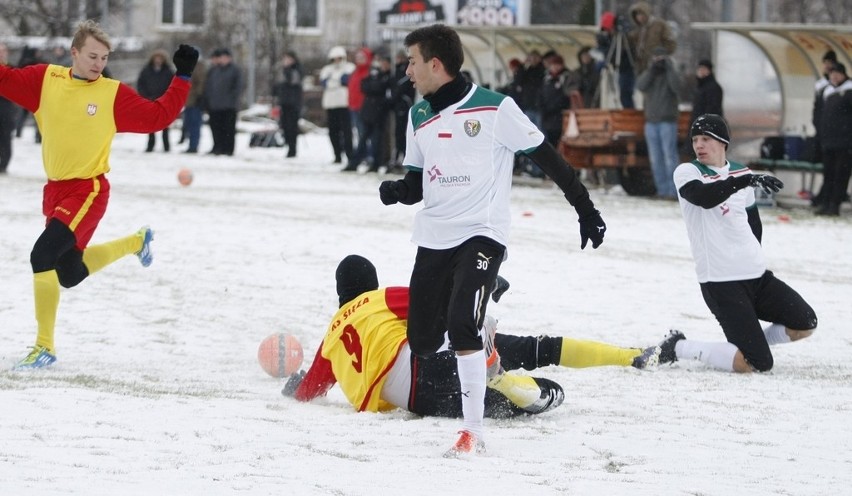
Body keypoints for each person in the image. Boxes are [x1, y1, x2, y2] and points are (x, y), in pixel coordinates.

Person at [378, 24, 606, 457]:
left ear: (434, 64)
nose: (406, 71)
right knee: (424, 342)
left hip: (482, 233)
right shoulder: (418, 116)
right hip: (435, 236)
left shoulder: (496, 108)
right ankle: (481, 325)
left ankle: (472, 432)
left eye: (411, 61)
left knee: (462, 321)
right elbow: (419, 182)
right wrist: (398, 191)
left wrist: (585, 208)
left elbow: (550, 160)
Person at [0, 21, 198, 369]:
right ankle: (136, 243)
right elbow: (4, 79)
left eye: (104, 58)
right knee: (69, 273)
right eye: (92, 56)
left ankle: (43, 347)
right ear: (74, 52)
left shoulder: (111, 94)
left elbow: (157, 117)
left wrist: (181, 77)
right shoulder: (45, 81)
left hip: (88, 189)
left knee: (41, 255)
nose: (98, 64)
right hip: (55, 190)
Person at [283, 255, 661, 420]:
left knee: (517, 403)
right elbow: (432, 297)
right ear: (370, 283)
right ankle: (629, 356)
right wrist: (481, 286)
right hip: (426, 360)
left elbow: (308, 390)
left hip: (419, 398)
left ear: (339, 292)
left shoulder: (331, 337)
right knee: (536, 348)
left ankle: (496, 374)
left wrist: (294, 383)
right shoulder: (378, 298)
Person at [666, 114, 817, 373]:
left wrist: (753, 256)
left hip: (756, 277)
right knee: (756, 364)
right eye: (695, 140)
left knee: (805, 322)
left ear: (723, 142)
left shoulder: (740, 172)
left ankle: (751, 342)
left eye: (706, 139)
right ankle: (678, 347)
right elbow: (705, 197)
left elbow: (753, 223)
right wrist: (745, 181)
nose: (699, 145)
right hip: (721, 282)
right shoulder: (688, 172)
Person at [636, 47, 681, 199]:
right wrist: (651, 71)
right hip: (651, 122)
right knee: (655, 159)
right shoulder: (650, 73)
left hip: (668, 122)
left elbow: (677, 87)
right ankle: (662, 191)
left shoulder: (671, 72)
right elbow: (640, 85)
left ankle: (673, 192)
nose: (658, 60)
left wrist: (668, 68)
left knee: (670, 157)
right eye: (656, 57)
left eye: (661, 57)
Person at [814, 63, 852, 216]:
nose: (835, 76)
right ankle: (826, 203)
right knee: (828, 174)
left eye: (838, 73)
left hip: (845, 142)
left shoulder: (849, 91)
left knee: (840, 174)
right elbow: (818, 113)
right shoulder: (826, 91)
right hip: (828, 141)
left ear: (844, 75)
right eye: (832, 74)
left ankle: (835, 205)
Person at [355, 53, 394, 173]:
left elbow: (379, 88)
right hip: (369, 112)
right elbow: (364, 86)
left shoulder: (388, 76)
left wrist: (375, 87)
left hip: (380, 113)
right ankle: (357, 160)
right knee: (364, 138)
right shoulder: (375, 75)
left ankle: (378, 162)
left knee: (378, 139)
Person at [203, 48, 242, 156]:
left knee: (228, 129)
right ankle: (217, 147)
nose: (222, 60)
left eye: (225, 57)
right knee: (216, 128)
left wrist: (231, 99)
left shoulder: (235, 70)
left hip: (229, 106)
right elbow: (209, 86)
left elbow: (238, 87)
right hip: (215, 105)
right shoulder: (214, 70)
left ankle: (228, 149)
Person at [320, 46, 355, 165]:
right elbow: (324, 83)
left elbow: (346, 80)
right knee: (333, 131)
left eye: (339, 58)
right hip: (330, 105)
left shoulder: (350, 67)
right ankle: (337, 155)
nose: (337, 61)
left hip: (344, 104)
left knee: (346, 131)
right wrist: (337, 80)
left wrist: (334, 80)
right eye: (334, 59)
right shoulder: (326, 69)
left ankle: (350, 155)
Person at [809, 50, 837, 198]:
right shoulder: (821, 84)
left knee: (833, 168)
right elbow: (816, 108)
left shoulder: (837, 88)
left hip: (833, 135)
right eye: (825, 63)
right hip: (822, 133)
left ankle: (828, 195)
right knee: (826, 167)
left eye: (829, 63)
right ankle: (824, 194)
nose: (827, 66)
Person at [136, 49, 175, 152]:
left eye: (160, 58)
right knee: (151, 124)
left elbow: (172, 86)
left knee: (165, 125)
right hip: (150, 101)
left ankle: (166, 146)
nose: (158, 60)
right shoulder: (146, 71)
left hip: (163, 102)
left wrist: (165, 97)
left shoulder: (168, 71)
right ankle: (150, 145)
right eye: (156, 58)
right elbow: (140, 84)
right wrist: (146, 96)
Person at [596, 11, 636, 109]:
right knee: (622, 92)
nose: (608, 32)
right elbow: (610, 55)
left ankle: (629, 113)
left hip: (626, 68)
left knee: (625, 92)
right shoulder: (607, 39)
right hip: (618, 68)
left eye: (609, 29)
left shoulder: (624, 36)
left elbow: (624, 53)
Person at [627, 1, 677, 76]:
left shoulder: (660, 25)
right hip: (641, 68)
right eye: (636, 14)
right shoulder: (638, 30)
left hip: (657, 68)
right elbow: (629, 44)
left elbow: (671, 44)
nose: (639, 17)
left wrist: (660, 55)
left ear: (646, 13)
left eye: (641, 13)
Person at [345, 47, 374, 171]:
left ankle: (367, 156)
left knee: (364, 134)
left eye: (362, 57)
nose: (359, 60)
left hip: (363, 107)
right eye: (358, 57)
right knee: (359, 133)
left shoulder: (368, 72)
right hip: (353, 106)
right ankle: (363, 155)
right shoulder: (355, 72)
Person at [390, 49, 415, 171]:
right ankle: (398, 156)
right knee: (399, 133)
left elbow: (400, 86)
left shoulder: (405, 71)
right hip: (399, 104)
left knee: (403, 133)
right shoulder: (397, 70)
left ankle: (404, 157)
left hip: (404, 105)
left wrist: (393, 97)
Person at [276, 51, 304, 158]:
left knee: (292, 126)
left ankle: (292, 149)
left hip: (294, 103)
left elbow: (293, 81)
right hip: (284, 102)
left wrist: (287, 69)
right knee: (284, 125)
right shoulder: (283, 70)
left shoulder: (297, 69)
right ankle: (288, 145)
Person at [181, 57, 207, 154]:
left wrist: (199, 96)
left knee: (195, 125)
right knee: (189, 124)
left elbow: (201, 83)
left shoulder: (199, 67)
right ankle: (191, 145)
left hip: (195, 101)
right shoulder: (188, 67)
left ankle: (193, 146)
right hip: (188, 101)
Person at [0, 43, 16, 174]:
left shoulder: (11, 69)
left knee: (5, 139)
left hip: (6, 111)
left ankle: (3, 164)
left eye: (3, 51)